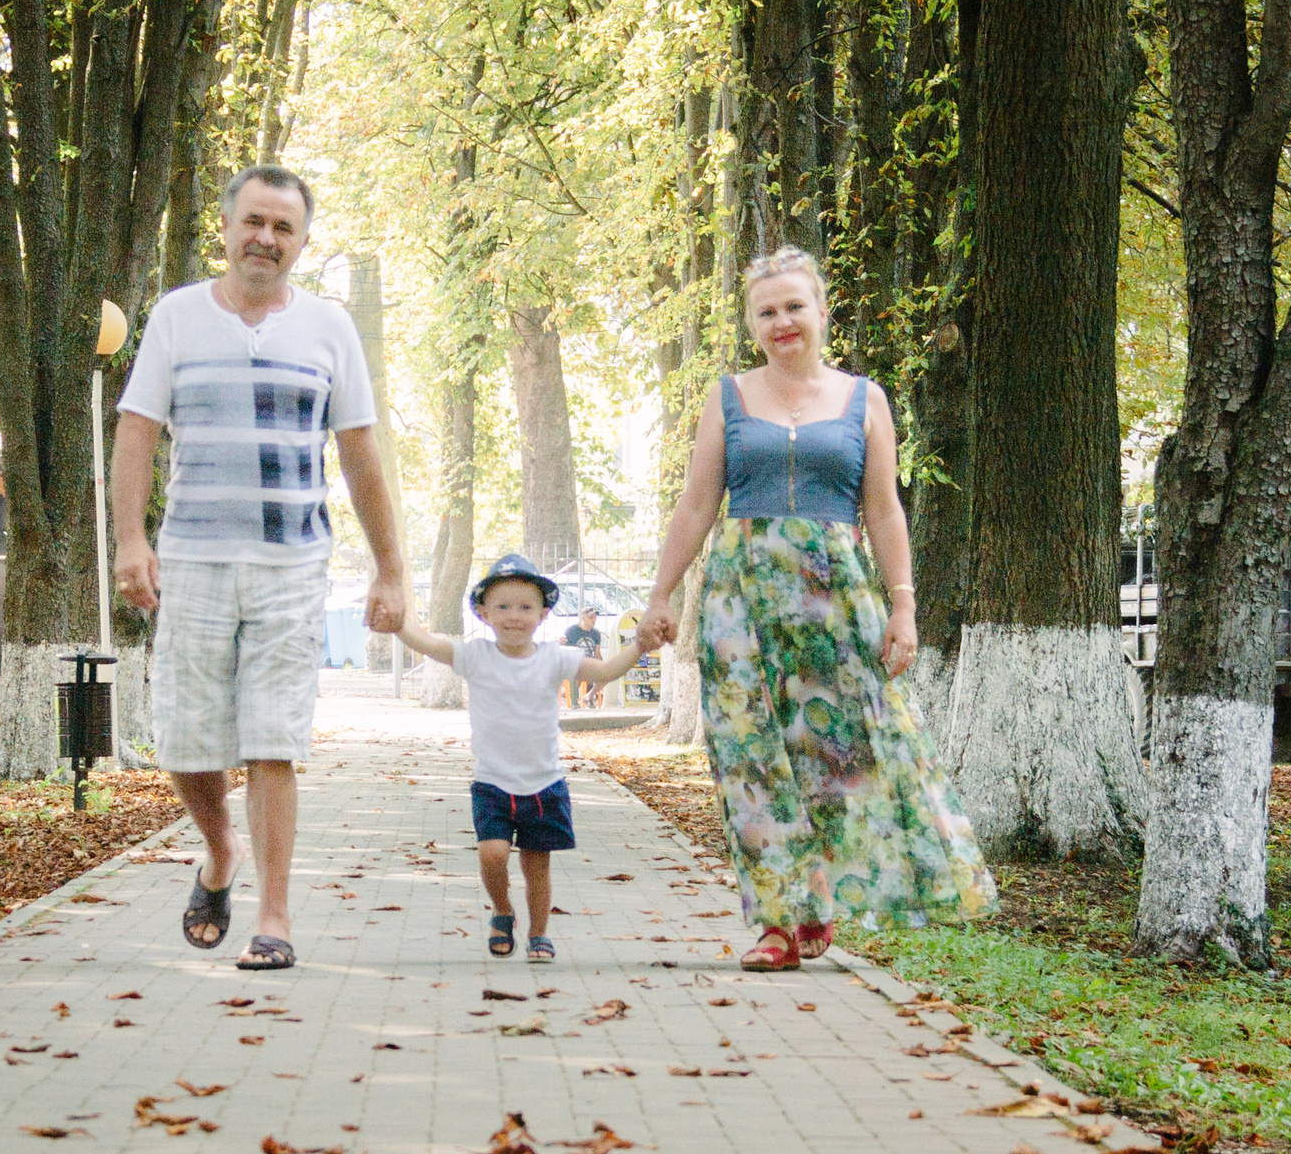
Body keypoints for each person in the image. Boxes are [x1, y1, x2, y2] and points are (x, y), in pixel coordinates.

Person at [636, 246, 995, 971]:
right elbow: (699, 503)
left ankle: (820, 897)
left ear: (822, 313)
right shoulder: (728, 396)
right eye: (766, 311)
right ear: (752, 324)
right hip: (742, 605)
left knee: (845, 755)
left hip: (838, 601)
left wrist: (904, 606)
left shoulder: (865, 399)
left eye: (795, 306)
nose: (782, 321)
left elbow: (885, 509)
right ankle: (776, 919)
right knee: (752, 758)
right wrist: (661, 591)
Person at [112, 165, 408, 971]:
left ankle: (273, 915)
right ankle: (219, 849)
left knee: (273, 738)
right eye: (254, 222)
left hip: (291, 563)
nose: (266, 239)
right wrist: (131, 540)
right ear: (227, 226)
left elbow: (360, 454)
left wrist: (390, 568)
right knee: (184, 738)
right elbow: (136, 432)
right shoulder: (176, 318)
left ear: (302, 243)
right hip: (193, 560)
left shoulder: (328, 328)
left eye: (283, 228)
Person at [395, 553, 649, 963]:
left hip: (544, 784)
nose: (515, 616)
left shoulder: (555, 657)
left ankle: (539, 934)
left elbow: (604, 673)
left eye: (526, 607)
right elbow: (427, 644)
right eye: (503, 607)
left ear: (544, 613)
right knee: (492, 854)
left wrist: (642, 643)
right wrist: (398, 623)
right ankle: (502, 908)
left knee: (537, 869)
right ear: (483, 612)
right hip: (492, 783)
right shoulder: (475, 655)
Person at [561, 606, 604, 708]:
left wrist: (603, 665)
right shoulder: (571, 630)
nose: (594, 620)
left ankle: (589, 696)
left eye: (595, 617)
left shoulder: (596, 633)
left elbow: (597, 653)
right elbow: (564, 649)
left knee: (608, 674)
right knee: (578, 672)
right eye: (591, 617)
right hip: (574, 662)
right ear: (584, 618)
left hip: (589, 662)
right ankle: (574, 700)